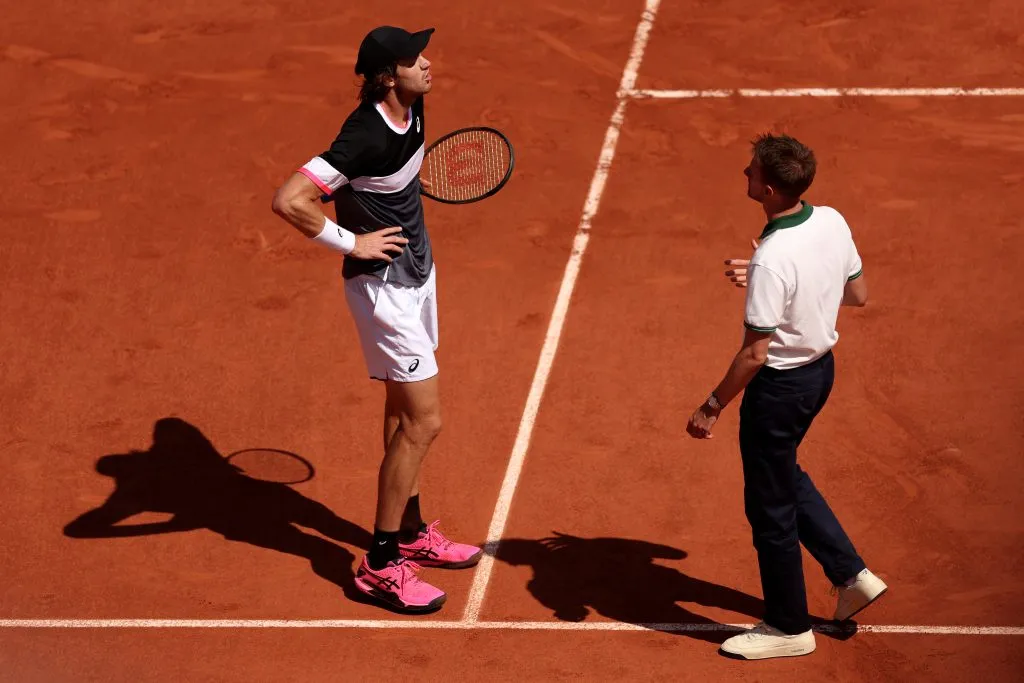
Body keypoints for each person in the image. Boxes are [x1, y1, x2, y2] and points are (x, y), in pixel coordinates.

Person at [271, 25, 481, 614]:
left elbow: (386, 179)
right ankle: (381, 565)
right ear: (388, 76)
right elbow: (289, 200)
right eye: (414, 59)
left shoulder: (413, 106)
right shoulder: (363, 134)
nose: (428, 63)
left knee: (400, 408)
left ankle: (409, 533)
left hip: (416, 274)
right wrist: (351, 242)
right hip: (384, 290)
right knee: (425, 421)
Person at [685, 133, 887, 660]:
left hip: (779, 391)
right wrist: (775, 277)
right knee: (782, 472)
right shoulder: (830, 221)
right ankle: (851, 575)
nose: (744, 174)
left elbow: (754, 354)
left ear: (770, 190)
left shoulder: (773, 258)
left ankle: (788, 627)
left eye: (751, 170)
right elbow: (857, 293)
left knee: (769, 508)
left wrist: (711, 405)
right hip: (820, 376)